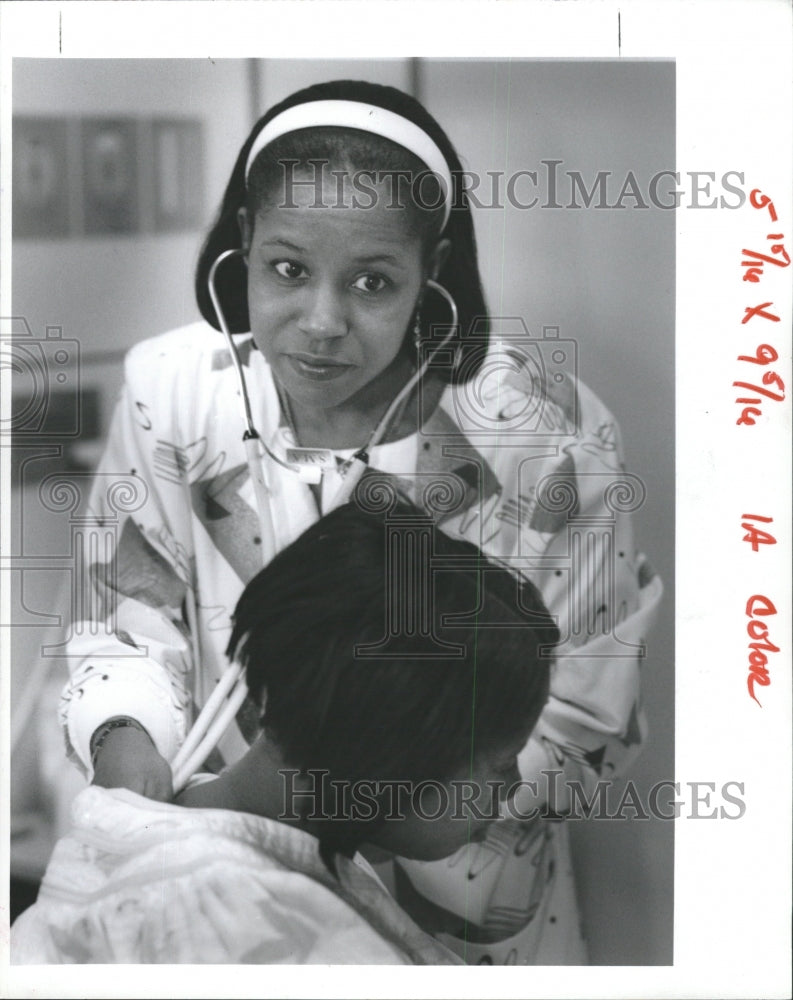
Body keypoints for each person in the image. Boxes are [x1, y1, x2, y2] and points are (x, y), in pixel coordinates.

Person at [57, 78, 662, 963]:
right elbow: (125, 623)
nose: (321, 323)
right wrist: (124, 740)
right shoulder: (173, 394)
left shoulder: (546, 436)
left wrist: (365, 822)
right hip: (225, 881)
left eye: (373, 281)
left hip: (465, 899)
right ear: (244, 248)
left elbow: (581, 714)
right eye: (287, 269)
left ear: (433, 269)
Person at [15, 503, 555, 964]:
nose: (513, 790)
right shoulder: (239, 923)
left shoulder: (249, 849)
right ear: (394, 756)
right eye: (503, 762)